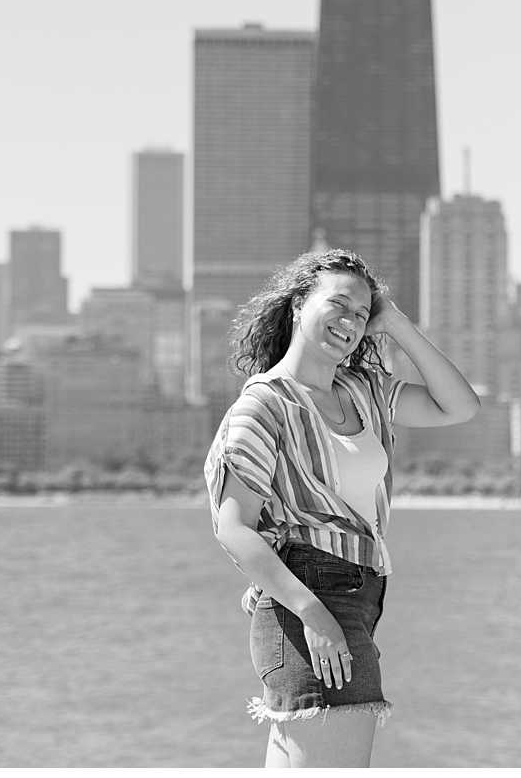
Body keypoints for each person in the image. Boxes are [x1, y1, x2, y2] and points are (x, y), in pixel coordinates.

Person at [204, 248, 481, 767]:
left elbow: (459, 406)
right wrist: (313, 614)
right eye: (339, 304)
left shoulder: (364, 391)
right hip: (309, 599)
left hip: (359, 595)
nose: (352, 321)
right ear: (297, 305)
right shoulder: (266, 405)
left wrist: (394, 321)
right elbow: (233, 527)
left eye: (361, 312)